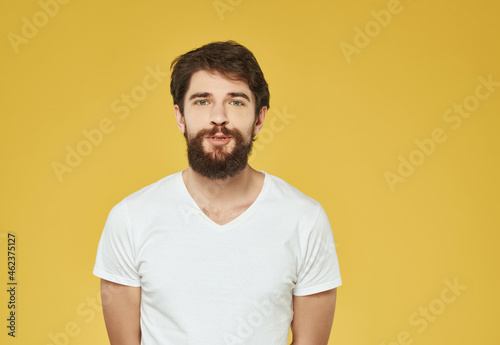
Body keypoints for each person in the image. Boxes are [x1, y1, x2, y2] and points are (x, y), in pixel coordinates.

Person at [93, 40, 342, 345]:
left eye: (236, 101)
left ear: (259, 118)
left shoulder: (305, 219)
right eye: (202, 101)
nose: (219, 117)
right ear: (180, 116)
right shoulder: (130, 219)